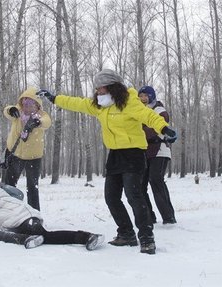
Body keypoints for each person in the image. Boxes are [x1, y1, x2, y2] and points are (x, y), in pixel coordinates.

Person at [37, 69, 177, 255]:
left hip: (134, 152)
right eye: (97, 89)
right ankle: (126, 233)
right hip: (115, 154)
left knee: (134, 195)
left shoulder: (130, 102)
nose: (98, 92)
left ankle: (146, 238)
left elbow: (148, 116)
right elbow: (77, 103)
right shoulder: (100, 105)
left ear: (113, 87)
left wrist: (164, 128)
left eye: (101, 88)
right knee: (111, 196)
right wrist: (54, 98)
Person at [0, 177, 104, 251]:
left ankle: (87, 237)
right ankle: (27, 240)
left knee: (44, 235)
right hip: (13, 226)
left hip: (25, 217)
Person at [2, 87, 51, 211]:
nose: (27, 107)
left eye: (30, 104)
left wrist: (37, 122)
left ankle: (34, 214)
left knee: (32, 187)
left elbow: (47, 122)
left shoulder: (41, 115)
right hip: (15, 154)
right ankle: (8, 211)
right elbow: (7, 111)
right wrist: (10, 110)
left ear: (37, 105)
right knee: (9, 185)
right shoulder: (17, 113)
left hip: (33, 157)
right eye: (24, 104)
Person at [138, 86, 177, 224]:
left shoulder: (160, 111)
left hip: (160, 150)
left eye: (145, 96)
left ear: (151, 96)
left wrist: (139, 132)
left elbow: (155, 129)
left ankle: (168, 217)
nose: (142, 99)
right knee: (140, 184)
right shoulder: (139, 111)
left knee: (155, 179)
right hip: (145, 151)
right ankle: (149, 216)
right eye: (140, 96)